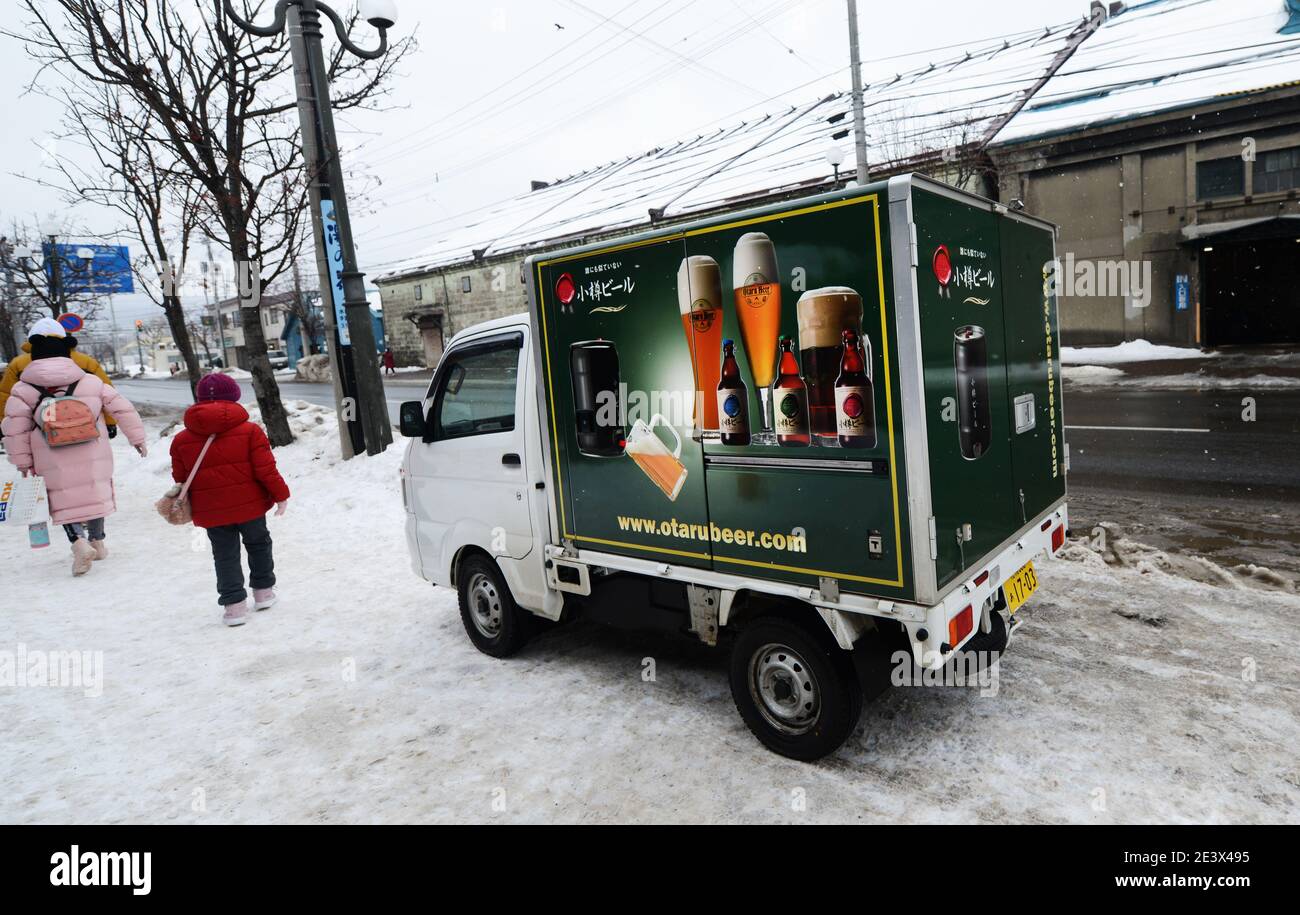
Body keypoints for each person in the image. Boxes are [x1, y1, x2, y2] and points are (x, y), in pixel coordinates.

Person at [2, 320, 148, 575]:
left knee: (62, 500)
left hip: (49, 454)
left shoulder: (22, 389)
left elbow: (14, 428)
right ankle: (98, 541)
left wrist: (22, 462)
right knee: (94, 493)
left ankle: (78, 543)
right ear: (67, 352)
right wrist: (137, 439)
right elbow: (123, 408)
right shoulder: (89, 382)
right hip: (92, 450)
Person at [170, 372, 290, 627]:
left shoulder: (182, 439)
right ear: (234, 397)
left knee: (224, 554)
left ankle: (234, 607)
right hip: (251, 505)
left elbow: (181, 477)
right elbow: (265, 469)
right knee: (258, 544)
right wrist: (281, 495)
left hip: (212, 510)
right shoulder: (250, 431)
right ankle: (263, 593)